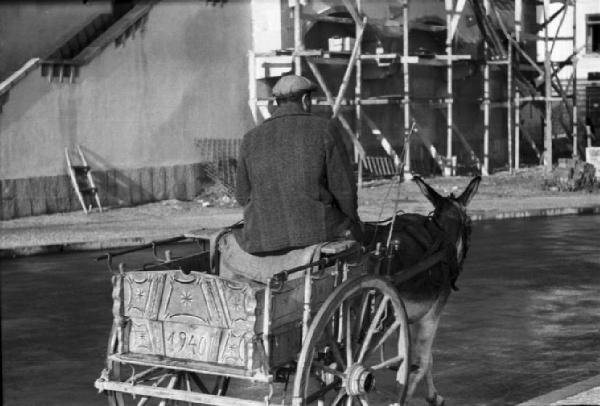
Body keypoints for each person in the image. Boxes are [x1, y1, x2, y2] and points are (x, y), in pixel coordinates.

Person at [234, 74, 361, 255]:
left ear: (277, 102)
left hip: (260, 238)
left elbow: (242, 196)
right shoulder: (325, 129)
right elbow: (344, 190)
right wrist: (353, 224)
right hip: (317, 232)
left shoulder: (250, 137)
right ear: (305, 100)